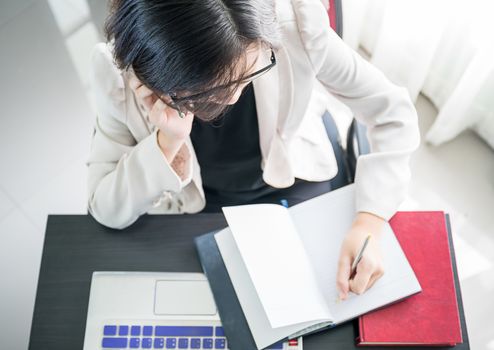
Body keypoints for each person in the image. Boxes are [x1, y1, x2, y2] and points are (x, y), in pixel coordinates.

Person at [87, 0, 420, 301]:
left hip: (296, 173)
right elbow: (105, 208)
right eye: (212, 88)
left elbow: (391, 110)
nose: (232, 97)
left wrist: (369, 222)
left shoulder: (290, 26)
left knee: (320, 302)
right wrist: (168, 141)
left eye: (249, 72)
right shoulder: (121, 75)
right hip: (199, 204)